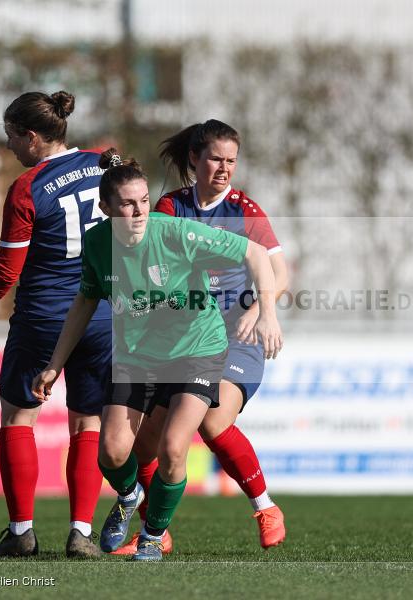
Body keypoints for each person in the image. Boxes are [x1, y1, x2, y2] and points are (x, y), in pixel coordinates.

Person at [31, 150, 282, 562]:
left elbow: (256, 254)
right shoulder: (97, 244)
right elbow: (84, 303)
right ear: (105, 208)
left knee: (172, 450)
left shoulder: (175, 232)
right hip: (137, 356)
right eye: (128, 203)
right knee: (111, 452)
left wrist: (267, 314)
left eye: (144, 200)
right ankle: (129, 496)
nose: (139, 211)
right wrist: (54, 364)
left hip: (196, 351)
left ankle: (152, 536)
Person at [109, 120, 288, 556]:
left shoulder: (245, 211)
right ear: (194, 159)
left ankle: (265, 508)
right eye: (215, 159)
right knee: (145, 444)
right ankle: (157, 529)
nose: (224, 169)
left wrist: (259, 311)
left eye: (231, 161)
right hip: (183, 338)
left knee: (211, 421)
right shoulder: (171, 207)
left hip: (236, 336)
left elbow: (278, 273)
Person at [0, 91, 110, 558]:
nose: (8, 147)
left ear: (32, 136)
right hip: (102, 315)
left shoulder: (27, 188)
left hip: (46, 317)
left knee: (19, 417)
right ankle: (81, 532)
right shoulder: (105, 163)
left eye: (10, 136)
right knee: (87, 424)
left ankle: (22, 532)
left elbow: (7, 270)